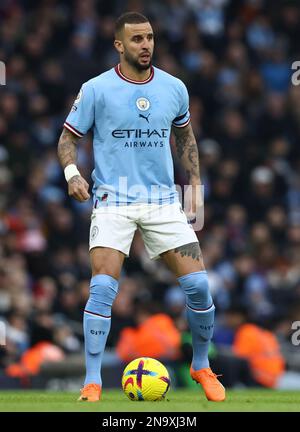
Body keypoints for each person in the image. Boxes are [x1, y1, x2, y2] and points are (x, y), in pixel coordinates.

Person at [57, 11, 225, 402]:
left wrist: (195, 183)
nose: (146, 45)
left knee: (199, 286)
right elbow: (67, 140)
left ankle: (201, 365)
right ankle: (93, 380)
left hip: (162, 201)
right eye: (136, 39)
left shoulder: (174, 88)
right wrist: (72, 175)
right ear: (119, 45)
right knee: (102, 287)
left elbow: (185, 137)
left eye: (149, 37)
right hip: (112, 200)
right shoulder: (96, 89)